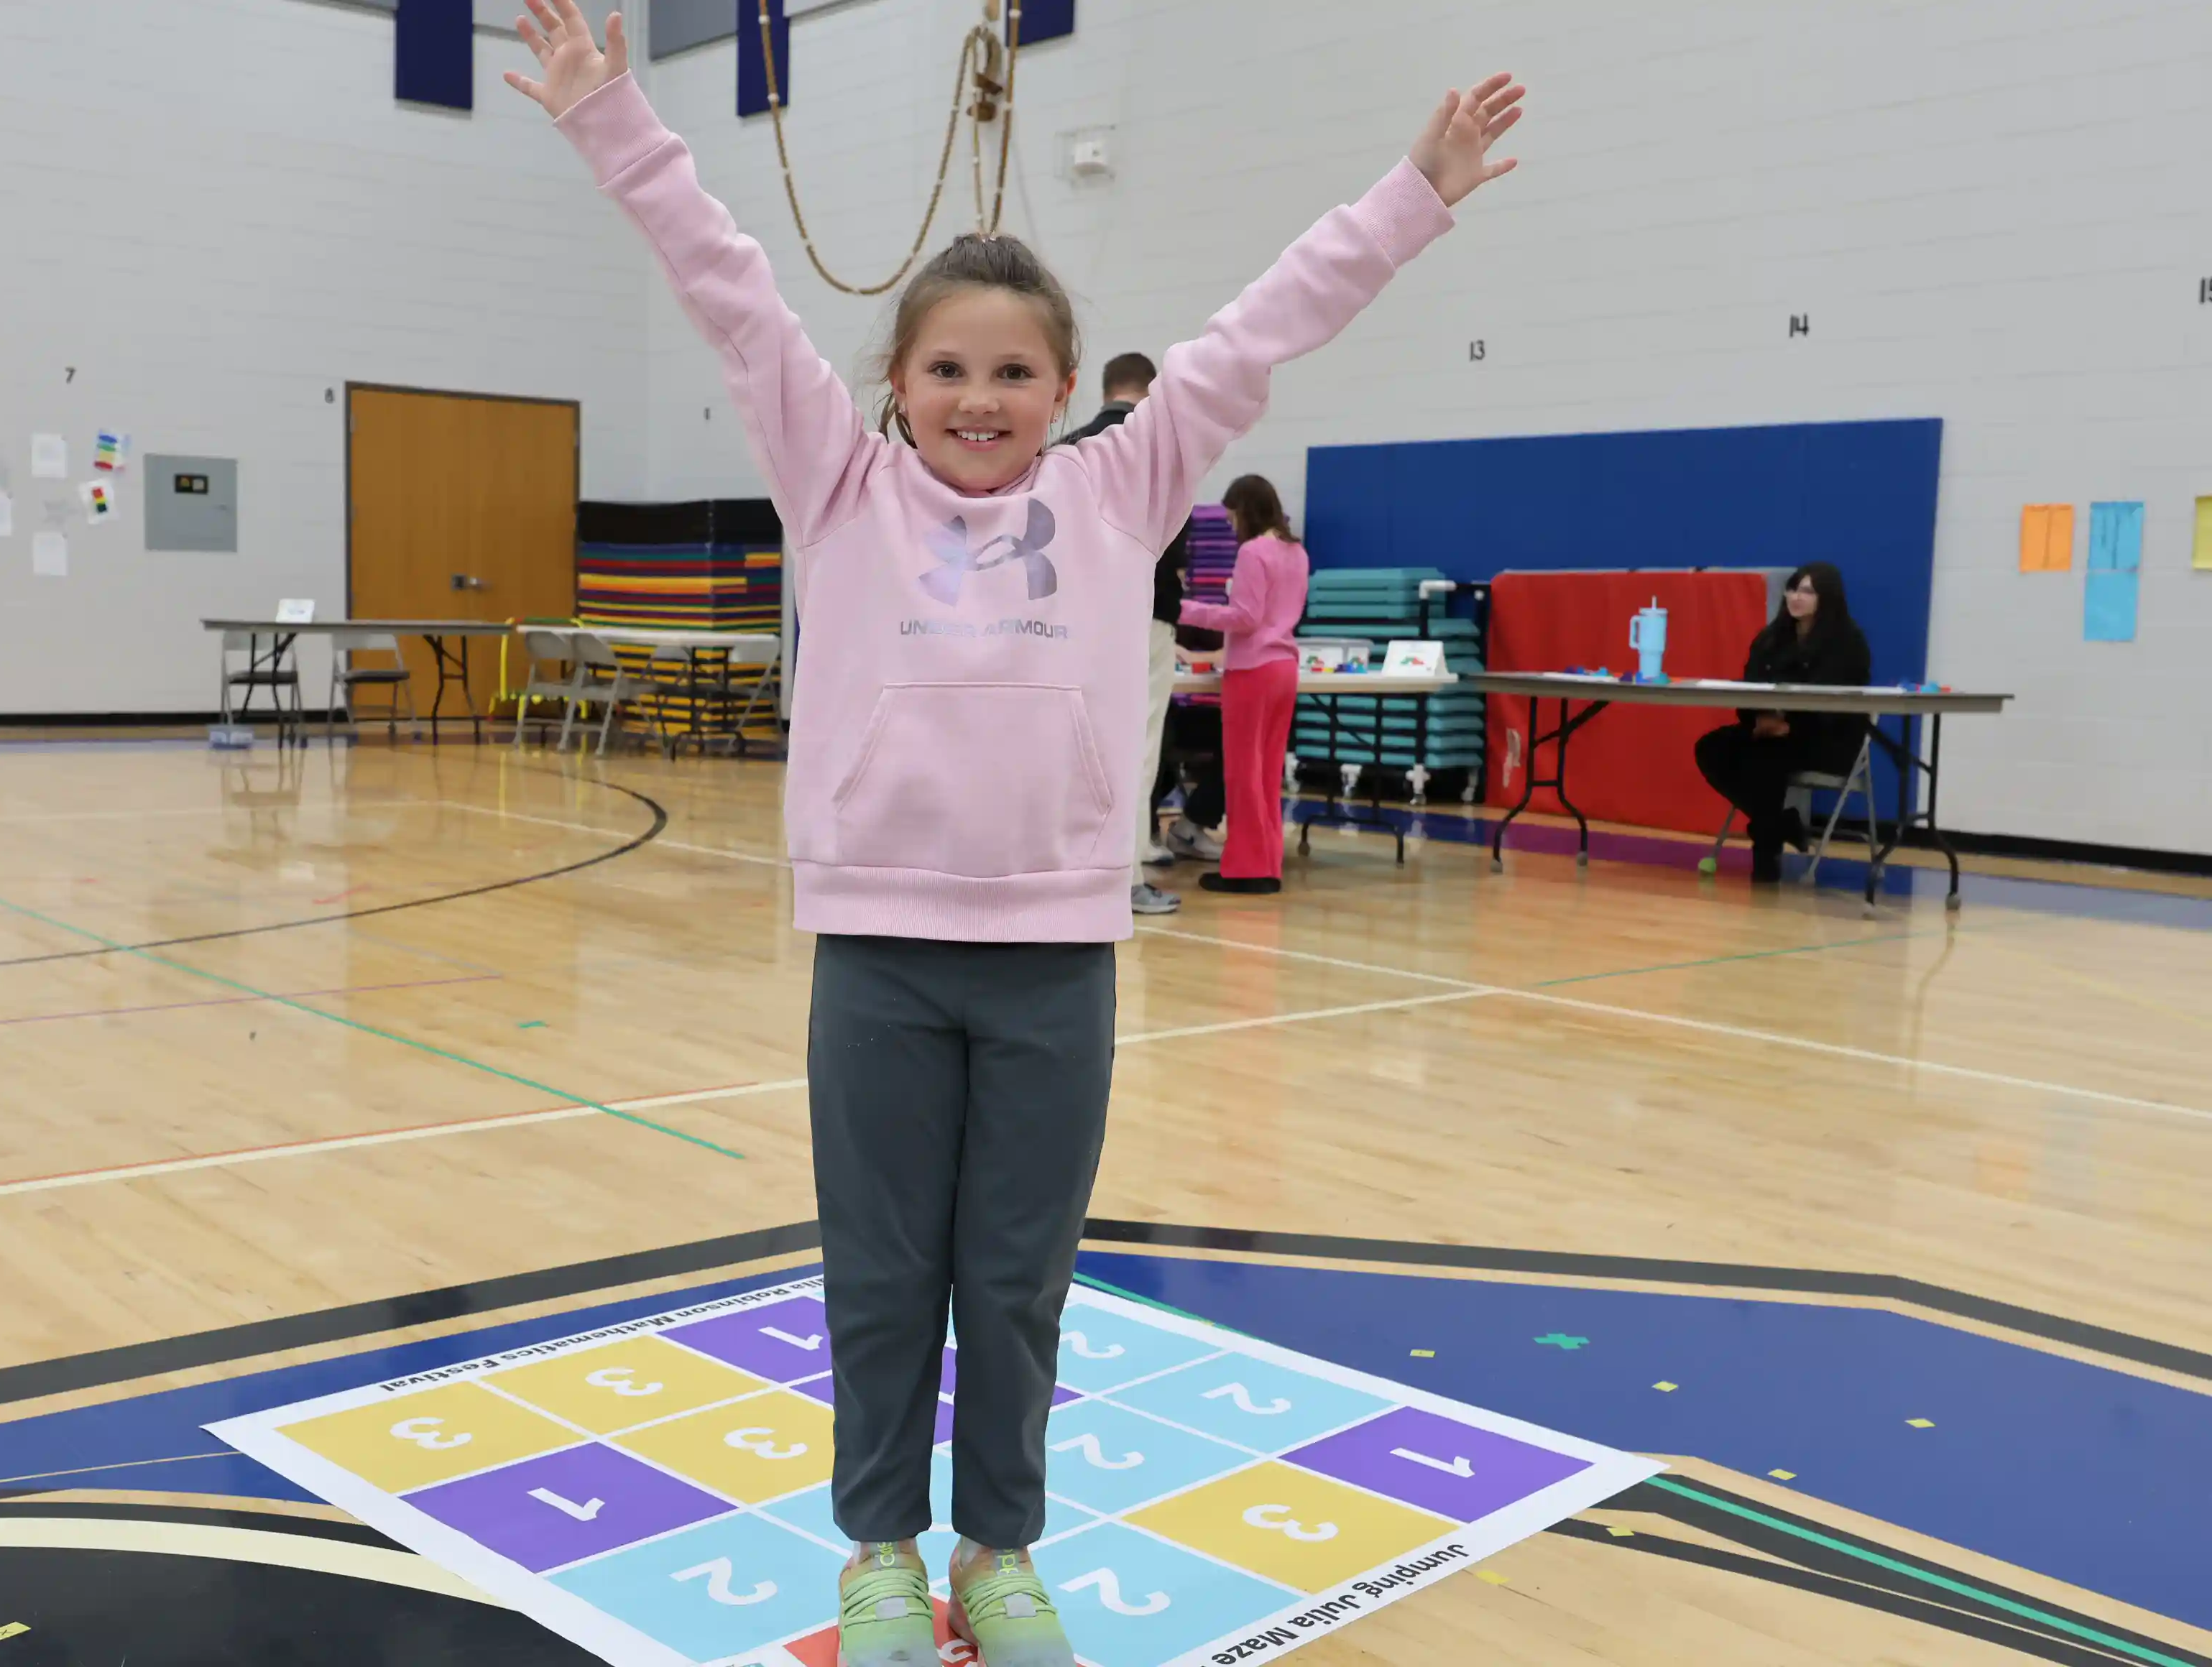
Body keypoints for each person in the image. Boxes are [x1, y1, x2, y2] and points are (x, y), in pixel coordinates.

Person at [508, 6, 1522, 1655]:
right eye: (946, 369)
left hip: (1056, 961)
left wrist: (1414, 191)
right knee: (881, 1276)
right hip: (879, 957)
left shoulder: (1121, 487)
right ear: (894, 386)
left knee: (1018, 1284)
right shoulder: (837, 484)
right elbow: (726, 283)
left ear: (1063, 388)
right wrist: (613, 118)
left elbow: (1265, 326)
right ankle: (877, 1557)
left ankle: (997, 1552)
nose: (977, 398)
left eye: (1011, 372)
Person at [1062, 352, 1189, 917]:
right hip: (1144, 614)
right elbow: (1173, 550)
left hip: (1072, 619)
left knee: (1078, 746)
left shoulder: (1068, 450)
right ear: (1151, 390)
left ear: (1105, 388)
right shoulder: (1157, 448)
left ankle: (1076, 867)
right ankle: (1127, 875)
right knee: (1136, 747)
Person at [1694, 562, 1873, 882]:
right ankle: (1781, 825)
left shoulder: (1847, 642)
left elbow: (1838, 708)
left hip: (1828, 740)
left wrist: (1791, 727)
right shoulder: (1771, 638)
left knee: (1766, 756)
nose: (1796, 597)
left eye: (1807, 591)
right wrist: (1758, 719)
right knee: (1711, 747)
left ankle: (1766, 858)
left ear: (1827, 597)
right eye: (1793, 589)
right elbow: (1749, 689)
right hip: (1771, 732)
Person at [1179, 476, 1310, 895]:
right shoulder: (1297, 552)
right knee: (1268, 772)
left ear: (1247, 511)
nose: (1232, 526)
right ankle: (1268, 862)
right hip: (1285, 667)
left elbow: (1245, 618)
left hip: (1252, 669)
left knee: (1243, 772)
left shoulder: (1253, 552)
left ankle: (1244, 867)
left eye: (1233, 517)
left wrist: (1184, 609)